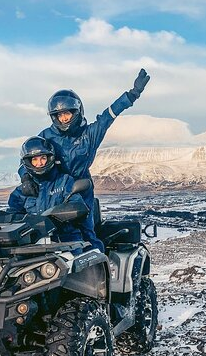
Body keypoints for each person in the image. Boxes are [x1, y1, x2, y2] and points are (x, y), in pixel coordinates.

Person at [18, 68, 151, 252]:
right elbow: (28, 157)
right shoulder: (46, 136)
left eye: (67, 114)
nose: (63, 118)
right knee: (38, 233)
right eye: (58, 115)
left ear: (77, 111)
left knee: (86, 233)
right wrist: (25, 178)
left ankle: (97, 271)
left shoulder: (89, 134)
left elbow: (108, 116)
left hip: (79, 187)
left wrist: (132, 94)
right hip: (50, 188)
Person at [8, 136, 86, 245]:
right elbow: (11, 214)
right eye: (34, 159)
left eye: (43, 158)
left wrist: (59, 217)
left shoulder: (64, 181)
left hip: (66, 240)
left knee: (73, 260)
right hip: (32, 242)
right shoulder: (22, 190)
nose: (39, 163)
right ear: (28, 161)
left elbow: (77, 205)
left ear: (50, 158)